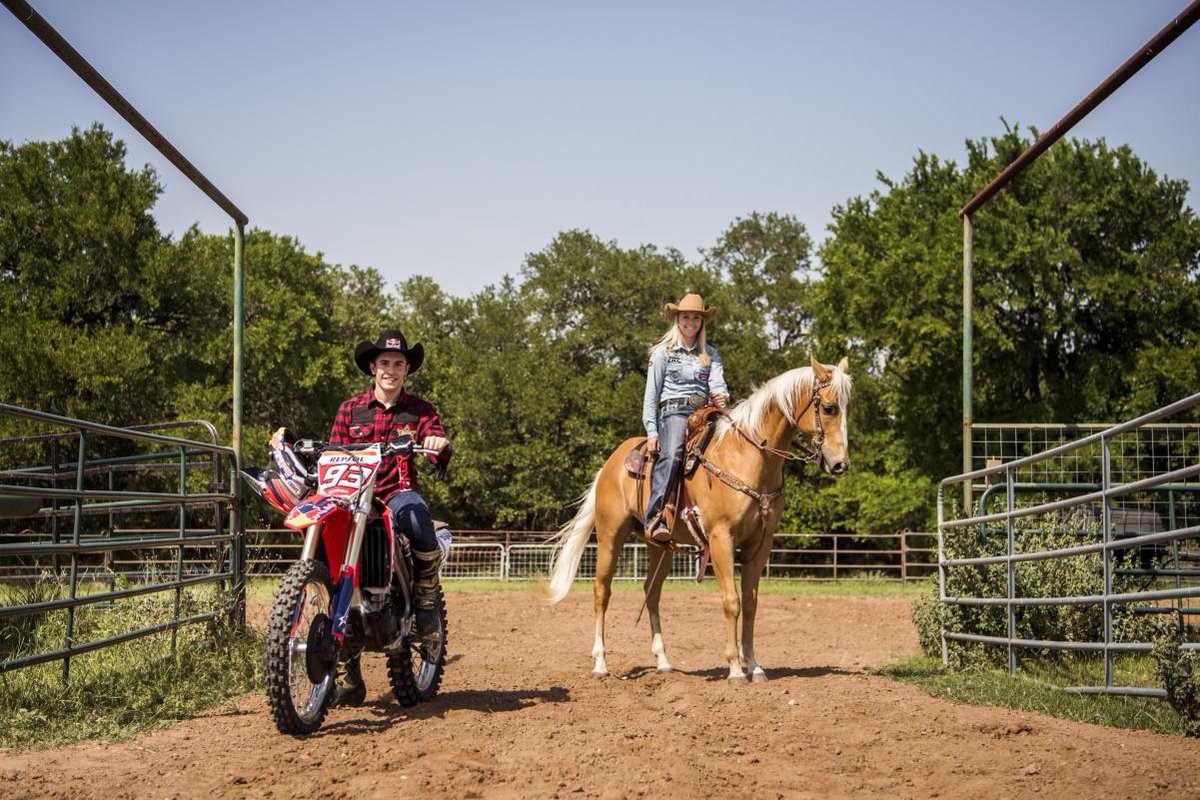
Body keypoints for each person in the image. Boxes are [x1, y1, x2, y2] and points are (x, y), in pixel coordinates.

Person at [329, 328, 450, 706]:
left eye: (398, 364)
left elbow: (437, 446)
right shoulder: (349, 409)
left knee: (418, 520)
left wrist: (437, 445)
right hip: (352, 496)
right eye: (385, 363)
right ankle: (349, 674)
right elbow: (332, 453)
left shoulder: (420, 411)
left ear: (406, 369)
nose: (391, 370)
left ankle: (426, 599)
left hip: (396, 493)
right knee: (328, 557)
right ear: (372, 366)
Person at [642, 293, 729, 543]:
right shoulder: (663, 353)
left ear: (702, 322)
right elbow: (651, 395)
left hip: (705, 413)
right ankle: (656, 516)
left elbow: (718, 383)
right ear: (677, 319)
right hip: (674, 412)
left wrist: (721, 395)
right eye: (685, 317)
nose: (690, 322)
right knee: (672, 455)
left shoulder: (710, 354)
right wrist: (652, 431)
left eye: (696, 318)